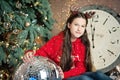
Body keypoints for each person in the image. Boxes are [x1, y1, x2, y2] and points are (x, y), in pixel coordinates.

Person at [23, 11, 112, 80]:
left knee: (99, 74)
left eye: (82, 26)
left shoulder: (82, 44)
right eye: (76, 25)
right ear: (69, 25)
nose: (79, 29)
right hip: (60, 77)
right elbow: (41, 53)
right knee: (85, 79)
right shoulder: (57, 41)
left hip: (70, 74)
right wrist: (29, 53)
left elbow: (81, 68)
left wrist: (65, 74)